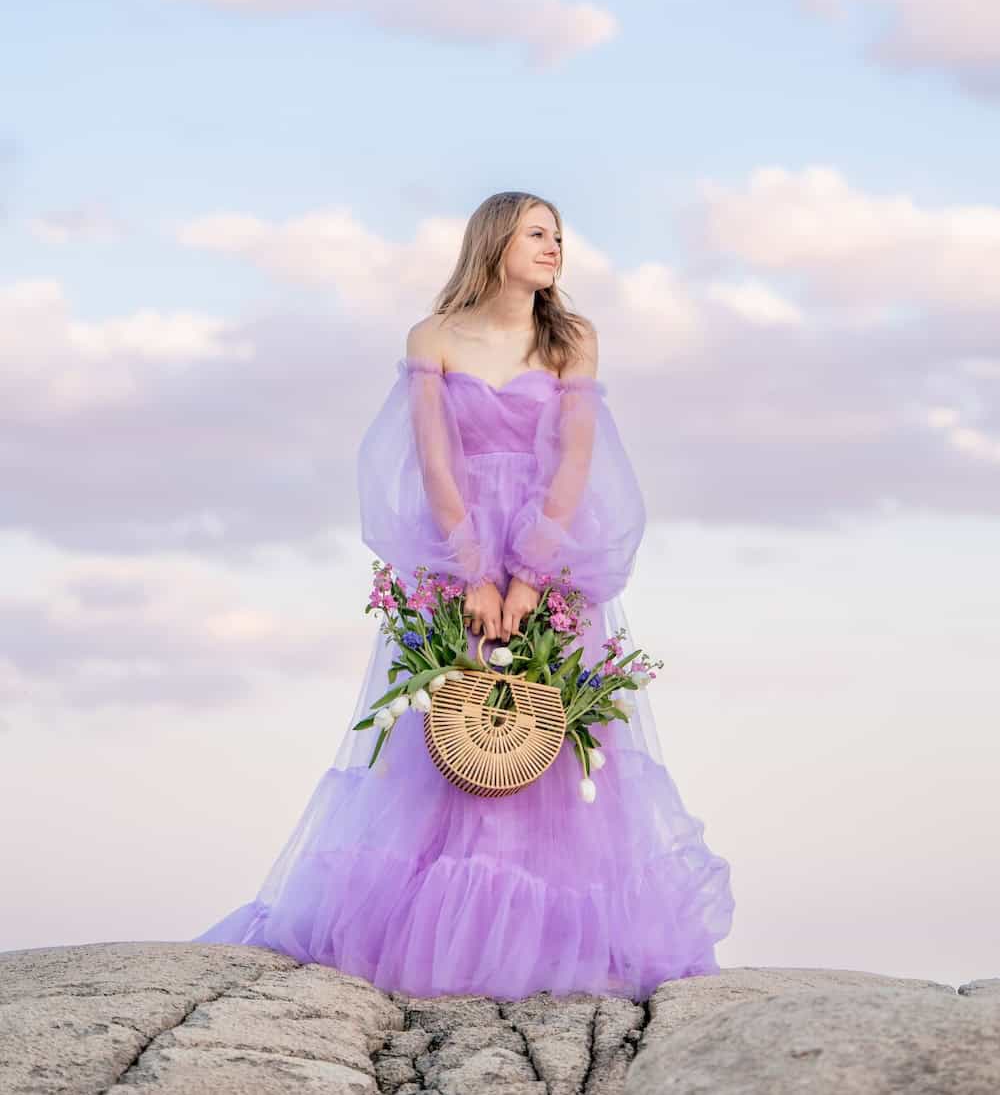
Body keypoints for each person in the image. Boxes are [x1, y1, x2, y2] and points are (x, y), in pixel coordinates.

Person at [192, 190, 734, 1000]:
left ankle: (550, 943)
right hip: (457, 559)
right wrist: (475, 571)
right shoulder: (433, 337)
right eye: (538, 233)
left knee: (556, 741)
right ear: (495, 243)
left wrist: (530, 573)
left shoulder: (571, 341)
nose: (555, 247)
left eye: (560, 235)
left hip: (550, 564)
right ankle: (452, 938)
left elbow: (576, 463)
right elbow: (434, 462)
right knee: (456, 735)